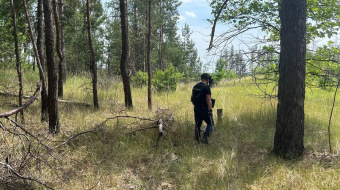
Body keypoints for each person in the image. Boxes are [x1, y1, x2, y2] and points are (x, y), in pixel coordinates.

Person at [191, 73, 214, 144]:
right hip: (204, 109)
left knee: (198, 124)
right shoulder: (206, 87)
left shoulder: (195, 86)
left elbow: (192, 98)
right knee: (211, 124)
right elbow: (208, 99)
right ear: (207, 80)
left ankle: (197, 138)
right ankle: (205, 136)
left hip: (196, 108)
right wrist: (210, 109)